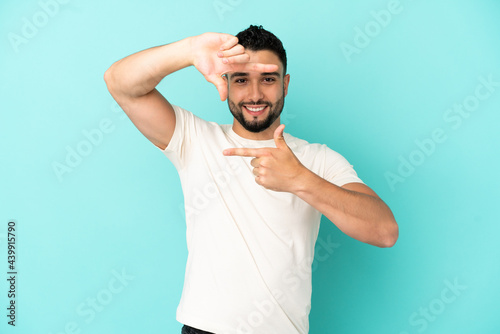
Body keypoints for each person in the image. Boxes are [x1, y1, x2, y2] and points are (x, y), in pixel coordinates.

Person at [104, 25, 398, 334]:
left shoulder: (318, 159)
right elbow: (120, 83)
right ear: (225, 82)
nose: (255, 94)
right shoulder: (195, 139)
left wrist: (300, 179)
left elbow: (384, 231)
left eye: (268, 80)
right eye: (241, 79)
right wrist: (189, 51)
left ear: (285, 84)